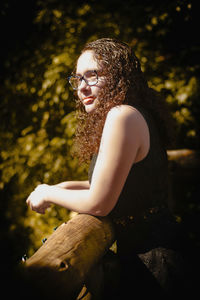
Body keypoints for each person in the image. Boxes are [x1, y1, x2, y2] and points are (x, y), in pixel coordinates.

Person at [26, 38, 188, 297]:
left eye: (92, 76)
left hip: (155, 267)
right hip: (157, 253)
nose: (82, 87)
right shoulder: (135, 113)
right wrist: (62, 187)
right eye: (78, 79)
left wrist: (46, 192)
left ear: (118, 76)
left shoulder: (121, 115)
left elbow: (101, 202)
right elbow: (116, 185)